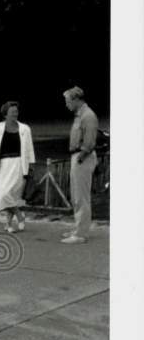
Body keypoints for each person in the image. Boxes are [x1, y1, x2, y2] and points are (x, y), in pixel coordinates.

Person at [0, 101, 35, 233]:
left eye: (16, 111)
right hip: (3, 165)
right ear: (5, 114)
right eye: (12, 112)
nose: (15, 114)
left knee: (13, 195)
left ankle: (8, 224)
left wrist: (31, 164)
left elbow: (29, 148)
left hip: (19, 164)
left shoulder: (25, 128)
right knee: (3, 195)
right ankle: (20, 216)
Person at [61, 86, 99, 244]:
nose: (66, 104)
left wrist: (80, 158)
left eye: (68, 101)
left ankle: (80, 234)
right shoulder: (80, 115)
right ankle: (78, 228)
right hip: (78, 157)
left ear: (76, 99)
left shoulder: (88, 116)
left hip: (83, 157)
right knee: (76, 196)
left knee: (81, 197)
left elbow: (89, 143)